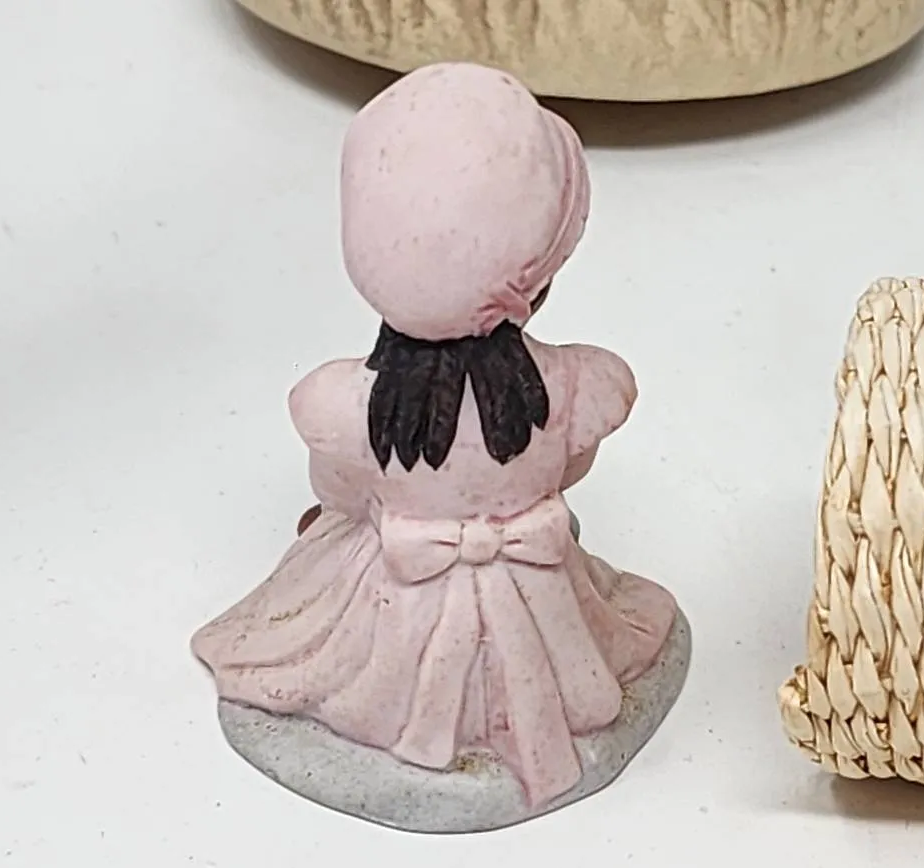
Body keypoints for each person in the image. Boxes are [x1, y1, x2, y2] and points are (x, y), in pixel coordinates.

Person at [190, 63, 679, 810]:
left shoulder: (344, 405)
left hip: (396, 602)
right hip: (537, 592)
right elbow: (571, 471)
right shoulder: (577, 386)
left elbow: (337, 494)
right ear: (534, 278)